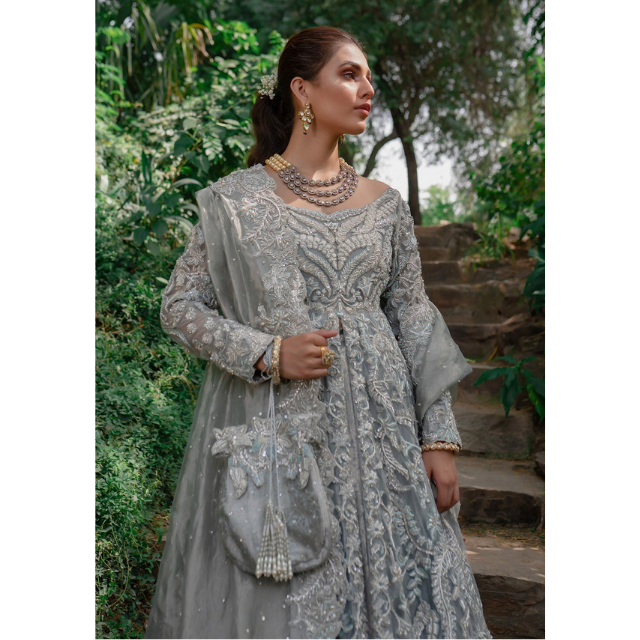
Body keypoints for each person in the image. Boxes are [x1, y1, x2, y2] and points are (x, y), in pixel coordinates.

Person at [145, 26, 491, 640]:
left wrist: (438, 438)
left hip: (386, 439)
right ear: (302, 89)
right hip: (286, 431)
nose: (367, 89)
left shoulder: (385, 204)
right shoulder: (238, 201)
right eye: (349, 74)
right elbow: (179, 307)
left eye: (368, 76)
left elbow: (413, 316)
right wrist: (268, 352)